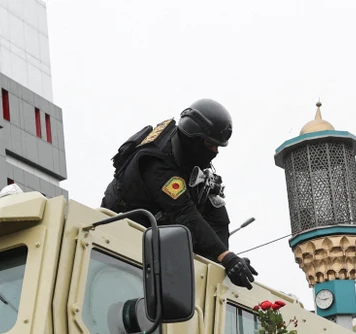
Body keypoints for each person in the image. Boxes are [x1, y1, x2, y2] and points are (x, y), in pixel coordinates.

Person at [100, 99, 258, 288]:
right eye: (210, 144)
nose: (215, 151)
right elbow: (184, 212)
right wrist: (227, 257)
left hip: (157, 227)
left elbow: (215, 219)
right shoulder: (157, 162)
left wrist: (226, 261)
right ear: (194, 138)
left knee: (214, 203)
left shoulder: (188, 154)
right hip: (122, 228)